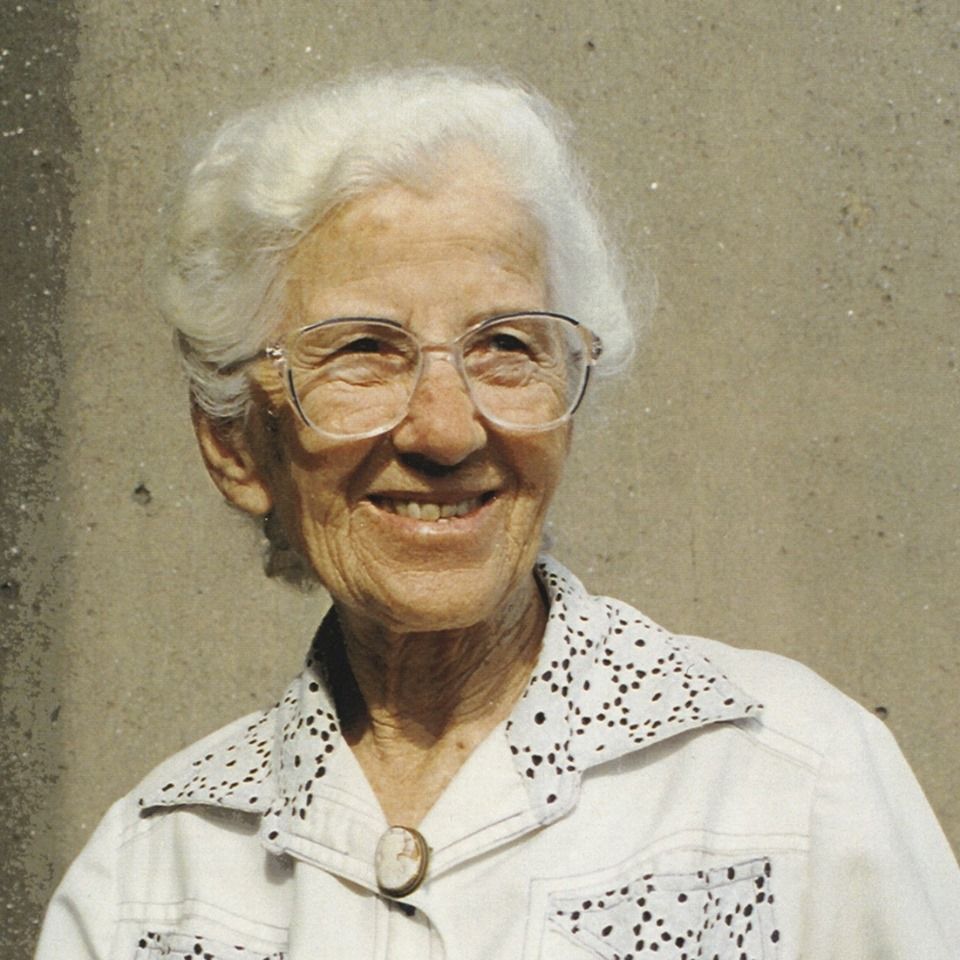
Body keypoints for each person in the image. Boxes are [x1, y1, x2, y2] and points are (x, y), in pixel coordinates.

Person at [36, 68, 959, 960]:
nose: (446, 429)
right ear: (236, 445)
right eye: (363, 350)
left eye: (506, 345)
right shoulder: (150, 878)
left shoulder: (792, 783)